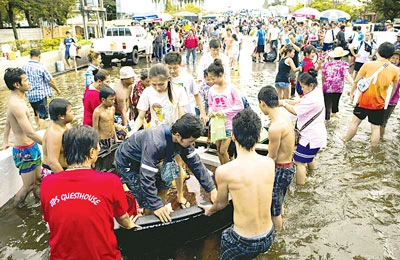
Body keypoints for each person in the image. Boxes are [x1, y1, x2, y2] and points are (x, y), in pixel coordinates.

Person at [40, 125, 138, 260]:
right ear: (92, 153)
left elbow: (50, 221)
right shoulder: (110, 181)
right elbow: (123, 219)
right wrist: (131, 225)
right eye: (98, 148)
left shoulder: (47, 184)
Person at [199, 109, 275, 260]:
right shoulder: (269, 163)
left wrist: (209, 210)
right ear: (259, 137)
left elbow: (221, 204)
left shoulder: (225, 171)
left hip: (243, 241)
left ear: (233, 137)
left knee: (225, 237)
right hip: (269, 235)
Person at [115, 114, 217, 223]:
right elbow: (146, 177)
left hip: (147, 159)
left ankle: (159, 212)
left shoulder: (183, 140)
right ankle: (150, 219)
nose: (193, 144)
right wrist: (155, 205)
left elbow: (196, 163)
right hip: (128, 162)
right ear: (178, 135)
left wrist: (211, 189)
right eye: (191, 141)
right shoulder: (156, 143)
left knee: (165, 183)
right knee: (147, 198)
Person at [344, 42, 399, 148]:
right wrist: (387, 100)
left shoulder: (368, 64)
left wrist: (351, 93)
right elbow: (394, 87)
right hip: (379, 103)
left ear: (378, 52)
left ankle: (345, 142)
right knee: (375, 128)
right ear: (391, 55)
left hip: (364, 100)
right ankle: (374, 152)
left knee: (354, 123)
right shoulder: (395, 70)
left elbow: (356, 80)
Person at [3, 68, 43, 208]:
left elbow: (8, 121)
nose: (28, 82)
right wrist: (48, 144)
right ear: (17, 84)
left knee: (38, 180)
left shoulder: (18, 99)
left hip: (31, 147)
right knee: (27, 186)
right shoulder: (16, 104)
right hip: (24, 151)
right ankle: (18, 211)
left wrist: (5, 141)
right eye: (25, 80)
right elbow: (30, 133)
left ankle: (40, 207)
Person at [280, 69, 327, 185]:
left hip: (311, 136)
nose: (302, 90)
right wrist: (287, 101)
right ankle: (313, 174)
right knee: (309, 157)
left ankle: (301, 188)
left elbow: (295, 111)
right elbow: (300, 101)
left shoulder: (312, 99)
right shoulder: (316, 92)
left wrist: (284, 104)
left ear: (311, 85)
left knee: (299, 161)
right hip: (316, 134)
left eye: (303, 87)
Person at [258, 86, 295, 231]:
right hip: (289, 166)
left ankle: (278, 237)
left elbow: (271, 157)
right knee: (279, 201)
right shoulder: (284, 117)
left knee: (274, 211)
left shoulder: (274, 128)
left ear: (262, 103)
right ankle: (282, 222)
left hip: (280, 170)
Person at [131, 63, 188, 132]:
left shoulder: (179, 90)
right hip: (155, 131)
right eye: (154, 84)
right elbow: (140, 117)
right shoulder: (147, 92)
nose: (157, 88)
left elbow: (181, 116)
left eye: (161, 84)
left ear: (169, 79)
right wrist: (133, 131)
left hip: (173, 131)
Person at [207, 59, 244, 165]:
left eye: (213, 78)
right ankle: (223, 169)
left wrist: (224, 112)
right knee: (218, 150)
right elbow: (210, 104)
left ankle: (228, 170)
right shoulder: (212, 90)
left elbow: (240, 106)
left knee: (224, 150)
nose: (212, 81)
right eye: (210, 79)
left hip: (229, 123)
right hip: (216, 123)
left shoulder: (232, 88)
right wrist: (210, 111)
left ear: (221, 74)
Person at [164, 52, 207, 124]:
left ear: (180, 65)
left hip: (187, 114)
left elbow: (196, 95)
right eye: (169, 68)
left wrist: (202, 112)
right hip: (171, 116)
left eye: (175, 68)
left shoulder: (187, 78)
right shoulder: (164, 79)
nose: (172, 71)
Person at [22, 49, 60, 130]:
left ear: (30, 56)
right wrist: (57, 89)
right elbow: (50, 80)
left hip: (30, 95)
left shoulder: (24, 67)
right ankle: (42, 133)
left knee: (36, 113)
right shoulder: (41, 66)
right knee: (43, 116)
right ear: (39, 56)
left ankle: (38, 128)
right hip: (40, 95)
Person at [42, 98, 74, 175]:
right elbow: (53, 162)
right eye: (70, 111)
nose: (73, 113)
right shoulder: (55, 133)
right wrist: (66, 179)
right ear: (61, 116)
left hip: (67, 168)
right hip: (55, 172)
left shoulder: (67, 126)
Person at [322, 47, 354, 120]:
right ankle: (334, 120)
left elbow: (323, 76)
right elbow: (347, 76)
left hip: (327, 88)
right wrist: (354, 85)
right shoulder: (344, 64)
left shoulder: (326, 64)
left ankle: (327, 121)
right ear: (342, 56)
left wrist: (322, 85)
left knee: (327, 106)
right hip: (338, 89)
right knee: (335, 104)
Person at [93, 86, 119, 150]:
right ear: (103, 100)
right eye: (111, 99)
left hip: (112, 137)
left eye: (114, 99)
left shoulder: (112, 109)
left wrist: (116, 138)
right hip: (103, 140)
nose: (113, 101)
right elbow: (95, 129)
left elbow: (112, 123)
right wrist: (97, 144)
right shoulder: (97, 111)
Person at [381, 50, 400, 136]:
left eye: (397, 59)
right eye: (393, 58)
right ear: (389, 58)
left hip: (392, 101)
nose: (395, 60)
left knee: (383, 122)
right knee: (377, 121)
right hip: (380, 98)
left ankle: (379, 140)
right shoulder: (384, 68)